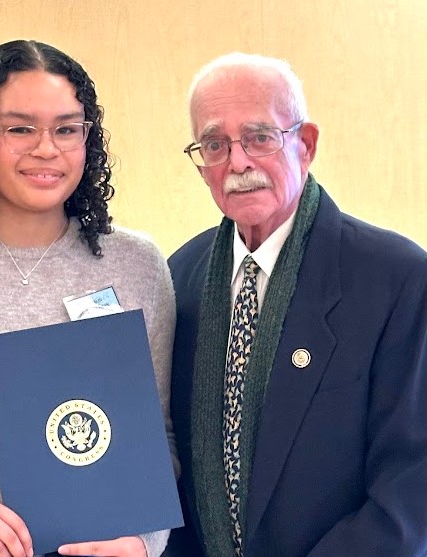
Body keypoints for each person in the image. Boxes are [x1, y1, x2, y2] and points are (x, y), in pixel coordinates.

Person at [0, 40, 177, 557]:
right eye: (20, 128)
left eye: (67, 129)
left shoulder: (136, 265)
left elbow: (159, 436)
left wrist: (143, 540)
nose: (47, 148)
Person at [166, 52, 427, 556]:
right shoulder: (180, 278)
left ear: (304, 145)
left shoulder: (397, 278)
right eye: (215, 144)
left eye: (260, 137)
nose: (237, 162)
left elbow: (413, 486)